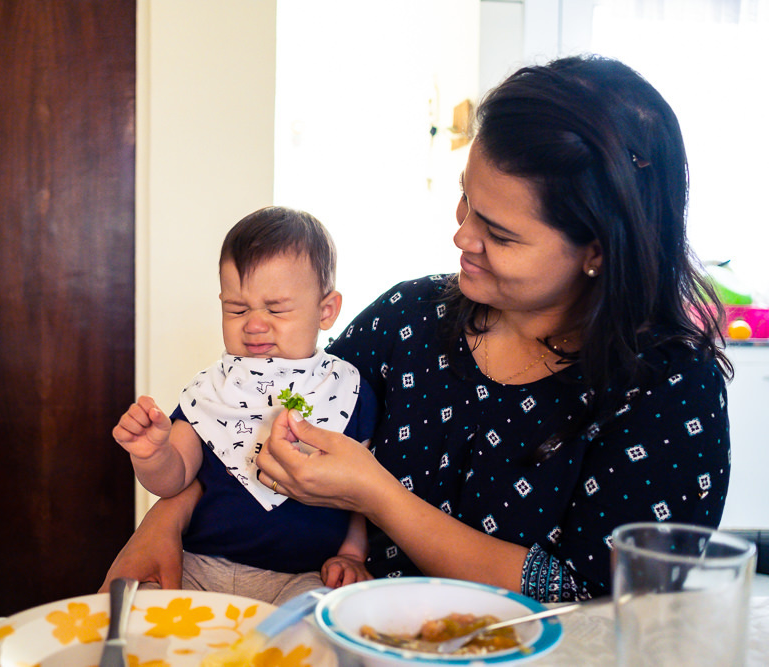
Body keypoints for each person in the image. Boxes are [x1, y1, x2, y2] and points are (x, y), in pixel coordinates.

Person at [101, 55, 731, 603]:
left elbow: (602, 595)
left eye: (501, 233)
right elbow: (265, 421)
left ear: (598, 248)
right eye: (465, 200)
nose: (462, 236)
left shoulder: (670, 388)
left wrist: (380, 496)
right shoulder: (408, 318)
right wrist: (169, 513)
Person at [109, 205, 378, 604]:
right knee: (142, 609)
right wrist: (152, 455)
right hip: (200, 566)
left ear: (326, 311)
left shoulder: (347, 390)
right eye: (236, 308)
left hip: (303, 575)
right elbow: (174, 479)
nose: (253, 324)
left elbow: (364, 490)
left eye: (276, 309)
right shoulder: (212, 388)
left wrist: (352, 554)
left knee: (316, 637)